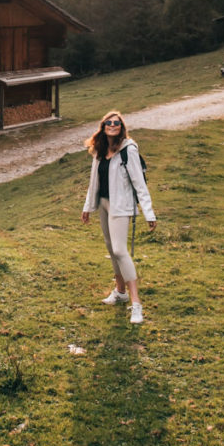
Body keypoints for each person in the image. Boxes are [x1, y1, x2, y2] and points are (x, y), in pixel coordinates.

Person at [81, 110, 156, 324]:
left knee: (120, 251)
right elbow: (93, 182)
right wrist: (88, 207)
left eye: (117, 123)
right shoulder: (99, 150)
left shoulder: (128, 150)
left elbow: (139, 183)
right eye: (108, 122)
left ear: (121, 127)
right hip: (103, 204)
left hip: (121, 206)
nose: (113, 125)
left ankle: (136, 304)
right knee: (110, 249)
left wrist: (148, 212)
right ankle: (120, 292)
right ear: (103, 126)